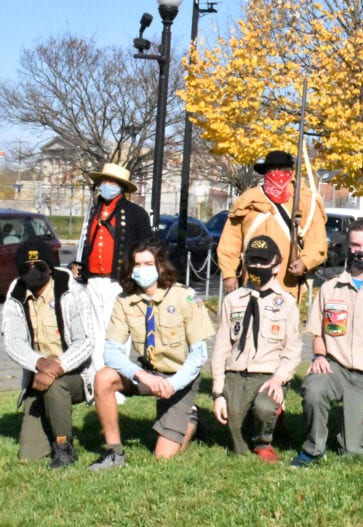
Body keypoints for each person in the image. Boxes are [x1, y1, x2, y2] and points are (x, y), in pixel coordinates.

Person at [88, 239, 215, 471]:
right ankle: (114, 451)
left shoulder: (185, 296)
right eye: (137, 264)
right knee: (103, 377)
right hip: (148, 373)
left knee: (163, 458)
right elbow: (111, 352)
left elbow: (198, 355)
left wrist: (173, 385)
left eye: (148, 264)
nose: (142, 269)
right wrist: (142, 375)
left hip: (180, 377)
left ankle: (192, 419)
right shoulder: (124, 301)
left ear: (161, 265)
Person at [291, 219, 363, 467]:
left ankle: (351, 431)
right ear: (348, 246)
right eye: (355, 245)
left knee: (355, 451)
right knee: (314, 389)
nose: (361, 251)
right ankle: (314, 447)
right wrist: (320, 356)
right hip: (335, 368)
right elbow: (318, 333)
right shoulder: (330, 288)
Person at [2, 240, 96, 468]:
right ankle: (48, 423)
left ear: (51, 268)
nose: (33, 271)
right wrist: (41, 363)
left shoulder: (73, 292)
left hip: (75, 374)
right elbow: (13, 342)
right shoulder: (16, 296)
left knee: (56, 384)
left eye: (40, 266)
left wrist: (57, 367)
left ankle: (64, 447)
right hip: (38, 374)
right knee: (30, 454)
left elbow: (86, 341)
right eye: (26, 267)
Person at [211, 235, 302, 460]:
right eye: (253, 261)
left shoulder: (287, 303)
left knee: (263, 408)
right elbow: (221, 347)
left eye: (264, 261)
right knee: (237, 442)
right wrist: (218, 393)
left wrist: (279, 379)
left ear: (276, 264)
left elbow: (293, 349)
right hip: (236, 374)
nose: (258, 267)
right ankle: (257, 419)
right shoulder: (233, 300)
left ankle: (264, 441)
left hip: (268, 375)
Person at [72, 163, 151, 371]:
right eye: (104, 181)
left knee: (116, 332)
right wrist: (79, 264)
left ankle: (116, 376)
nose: (106, 185)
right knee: (94, 330)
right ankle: (97, 375)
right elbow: (87, 243)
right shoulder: (94, 211)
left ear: (121, 186)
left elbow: (147, 247)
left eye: (112, 182)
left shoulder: (135, 213)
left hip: (118, 280)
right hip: (93, 279)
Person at [217, 150, 327, 299]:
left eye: (282, 169)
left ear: (290, 172)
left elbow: (317, 240)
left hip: (287, 282)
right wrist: (229, 273)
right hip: (252, 278)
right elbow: (230, 241)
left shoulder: (305, 199)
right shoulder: (248, 199)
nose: (276, 173)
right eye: (271, 169)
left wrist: (305, 262)